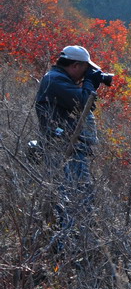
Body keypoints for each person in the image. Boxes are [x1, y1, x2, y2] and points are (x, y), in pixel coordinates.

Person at [35, 45, 111, 240]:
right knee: (74, 197)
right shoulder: (55, 81)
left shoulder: (58, 79)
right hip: (65, 149)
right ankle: (70, 245)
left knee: (76, 195)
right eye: (86, 70)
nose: (86, 75)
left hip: (68, 148)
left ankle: (73, 241)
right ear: (76, 66)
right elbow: (83, 103)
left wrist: (88, 82)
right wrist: (90, 84)